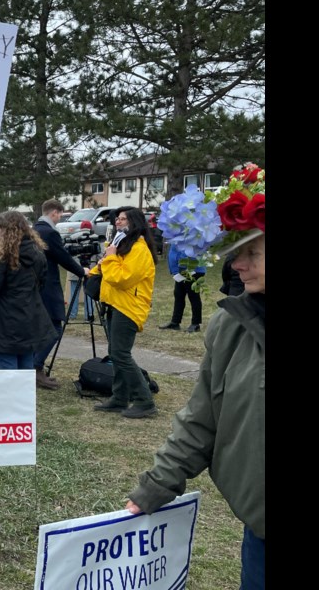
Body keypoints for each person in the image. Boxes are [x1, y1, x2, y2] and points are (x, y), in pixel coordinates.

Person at [127, 228, 265, 589]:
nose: (237, 265)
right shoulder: (231, 326)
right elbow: (201, 419)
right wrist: (155, 488)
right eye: (237, 253)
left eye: (253, 253)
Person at [87, 207, 158, 418]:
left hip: (128, 307)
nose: (118, 222)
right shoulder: (122, 246)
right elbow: (109, 273)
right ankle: (119, 398)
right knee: (116, 353)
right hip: (116, 304)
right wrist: (96, 268)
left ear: (135, 222)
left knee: (120, 353)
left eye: (123, 219)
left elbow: (122, 279)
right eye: (117, 219)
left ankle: (144, 401)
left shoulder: (139, 249)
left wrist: (109, 258)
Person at [0, 211, 58, 370]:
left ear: (8, 230)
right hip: (29, 316)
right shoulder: (37, 252)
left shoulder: (2, 256)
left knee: (9, 374)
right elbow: (41, 283)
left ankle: (16, 396)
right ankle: (25, 396)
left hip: (6, 321)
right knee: (25, 370)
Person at [32, 199, 88, 390]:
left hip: (34, 286)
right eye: (60, 215)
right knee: (54, 328)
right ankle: (35, 367)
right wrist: (83, 271)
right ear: (55, 213)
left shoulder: (34, 229)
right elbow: (63, 258)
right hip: (47, 287)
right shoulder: (49, 232)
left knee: (40, 328)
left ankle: (33, 367)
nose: (59, 219)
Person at [158, 243, 204, 333]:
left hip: (192, 270)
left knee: (193, 297)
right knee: (179, 295)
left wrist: (182, 267)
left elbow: (190, 252)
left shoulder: (190, 233)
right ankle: (175, 322)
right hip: (181, 270)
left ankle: (196, 324)